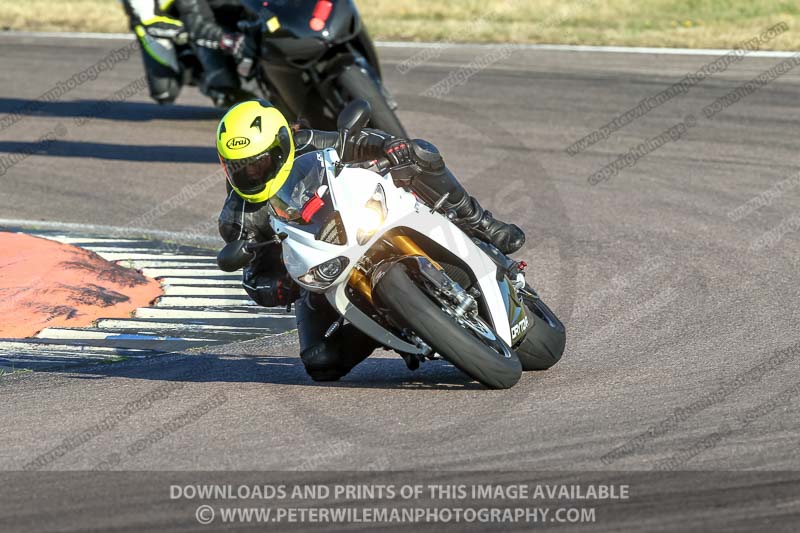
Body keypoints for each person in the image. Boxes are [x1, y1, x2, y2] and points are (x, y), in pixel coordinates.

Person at [216, 99, 525, 381]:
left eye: (259, 162)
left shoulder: (307, 143)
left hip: (360, 218)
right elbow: (252, 278)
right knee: (321, 362)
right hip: (321, 271)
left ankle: (482, 223)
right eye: (239, 167)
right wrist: (279, 287)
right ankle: (392, 322)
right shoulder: (237, 217)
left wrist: (390, 146)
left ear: (281, 143)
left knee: (419, 151)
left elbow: (355, 141)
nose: (252, 174)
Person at [122, 0, 255, 106]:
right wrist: (224, 39)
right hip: (160, 20)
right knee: (164, 92)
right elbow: (150, 22)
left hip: (201, 9)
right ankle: (202, 75)